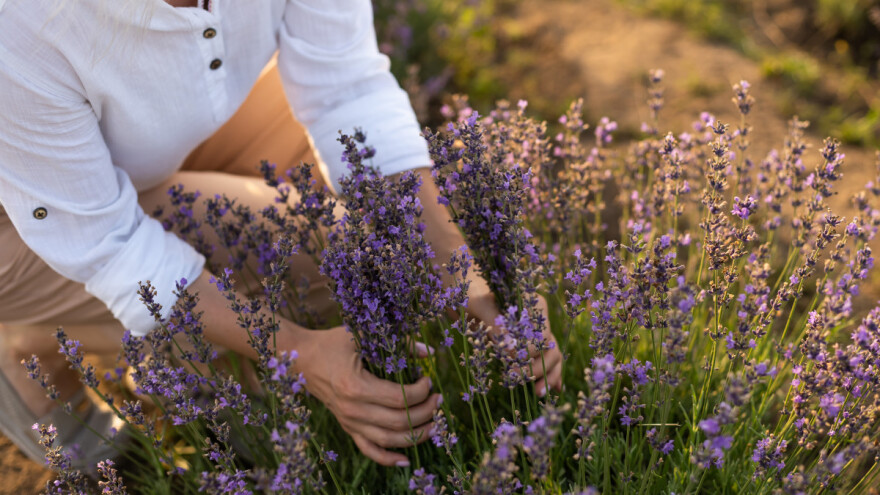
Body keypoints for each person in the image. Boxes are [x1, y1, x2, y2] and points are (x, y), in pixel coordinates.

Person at [0, 0, 563, 471]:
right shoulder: (22, 26)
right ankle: (33, 343)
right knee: (322, 264)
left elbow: (348, 91)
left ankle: (81, 339)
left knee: (396, 237)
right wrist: (299, 350)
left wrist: (464, 278)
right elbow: (112, 247)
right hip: (18, 219)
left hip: (129, 143)